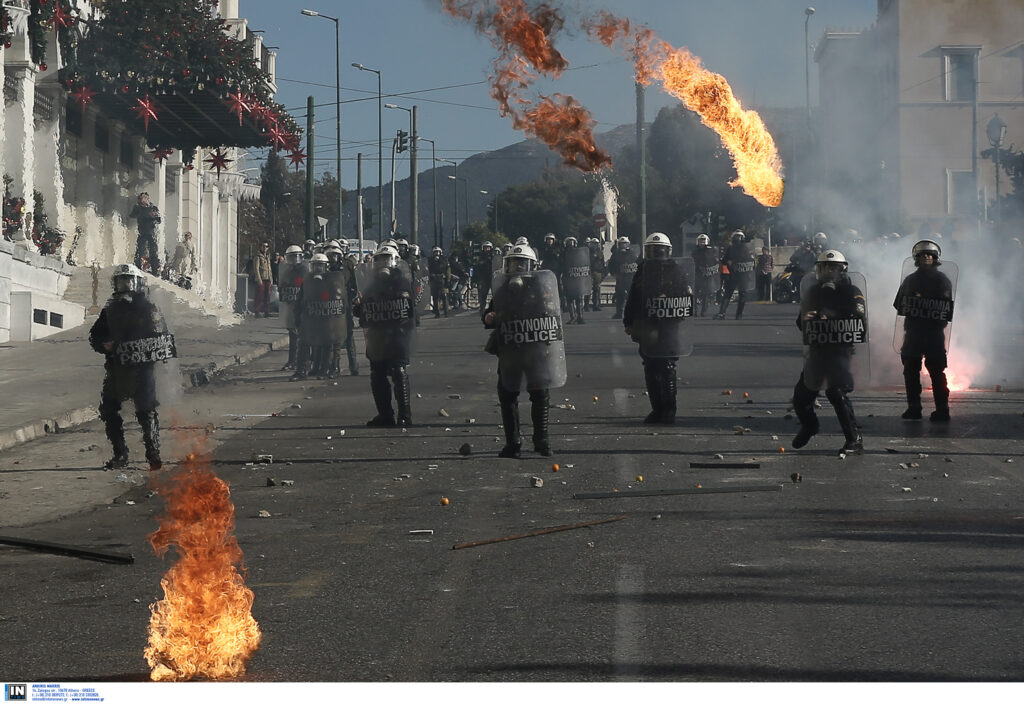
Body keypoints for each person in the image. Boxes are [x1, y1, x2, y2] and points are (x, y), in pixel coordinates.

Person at [89, 264, 174, 471]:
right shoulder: (109, 310)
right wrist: (103, 344)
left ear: (138, 283)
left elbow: (161, 337)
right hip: (117, 369)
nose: (125, 285)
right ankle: (120, 454)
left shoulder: (149, 308)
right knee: (108, 409)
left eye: (129, 281)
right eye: (121, 281)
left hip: (142, 370)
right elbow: (95, 336)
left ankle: (153, 454)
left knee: (146, 411)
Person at [483, 244, 564, 457]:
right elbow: (490, 312)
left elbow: (552, 313)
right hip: (510, 349)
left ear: (532, 266)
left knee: (540, 393)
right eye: (513, 263)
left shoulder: (541, 287)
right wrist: (489, 317)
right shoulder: (502, 288)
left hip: (535, 349)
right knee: (508, 394)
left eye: (522, 263)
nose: (518, 268)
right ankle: (513, 442)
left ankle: (542, 441)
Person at [791, 249, 866, 455]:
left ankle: (854, 439)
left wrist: (832, 316)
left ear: (841, 270)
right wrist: (809, 318)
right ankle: (810, 426)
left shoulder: (852, 292)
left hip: (840, 351)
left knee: (837, 392)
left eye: (833, 268)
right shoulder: (813, 292)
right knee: (801, 396)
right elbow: (801, 324)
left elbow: (860, 321)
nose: (828, 272)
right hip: (817, 351)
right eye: (824, 267)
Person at [623, 233, 691, 425]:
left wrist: (669, 300)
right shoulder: (643, 270)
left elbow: (685, 295)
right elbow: (634, 297)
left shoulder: (676, 269)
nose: (657, 253)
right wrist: (628, 320)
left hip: (669, 323)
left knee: (667, 365)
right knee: (651, 366)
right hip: (648, 323)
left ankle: (669, 410)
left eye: (659, 249)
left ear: (668, 250)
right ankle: (657, 409)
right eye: (653, 250)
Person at [355, 246, 416, 427]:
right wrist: (358, 307)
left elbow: (409, 308)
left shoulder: (402, 282)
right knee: (378, 373)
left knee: (398, 370)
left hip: (398, 334)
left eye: (386, 259)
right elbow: (363, 311)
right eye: (379, 259)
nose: (383, 263)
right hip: (377, 335)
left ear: (395, 261)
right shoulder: (372, 285)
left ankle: (405, 415)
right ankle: (385, 415)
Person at [893, 239, 954, 421]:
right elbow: (899, 304)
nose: (926, 257)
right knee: (910, 370)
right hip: (913, 332)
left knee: (937, 371)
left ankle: (942, 409)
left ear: (935, 258)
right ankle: (914, 407)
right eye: (922, 255)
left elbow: (945, 307)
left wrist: (925, 301)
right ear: (916, 259)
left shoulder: (942, 280)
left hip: (934, 333)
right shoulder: (910, 280)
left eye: (930, 255)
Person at [277, 245, 306, 371]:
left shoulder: (305, 270)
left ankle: (304, 361)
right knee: (293, 336)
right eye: (292, 257)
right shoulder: (286, 271)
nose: (294, 259)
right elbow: (282, 285)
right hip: (290, 306)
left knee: (303, 336)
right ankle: (292, 361)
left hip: (302, 307)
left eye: (296, 257)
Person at [715, 230, 754, 319]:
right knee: (733, 294)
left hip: (740, 274)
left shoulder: (744, 248)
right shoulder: (733, 248)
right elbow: (724, 260)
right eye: (736, 237)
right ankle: (732, 314)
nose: (738, 239)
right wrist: (728, 262)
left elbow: (751, 261)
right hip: (736, 274)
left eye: (739, 237)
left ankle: (725, 313)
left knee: (731, 294)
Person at [129, 192, 161, 275]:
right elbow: (132, 215)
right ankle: (138, 267)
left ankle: (155, 269)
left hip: (151, 232)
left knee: (153, 251)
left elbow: (159, 220)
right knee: (140, 250)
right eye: (143, 198)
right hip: (142, 231)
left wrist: (154, 215)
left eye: (146, 197)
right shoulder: (138, 207)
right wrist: (144, 213)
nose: (144, 199)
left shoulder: (153, 207)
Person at [607, 236, 638, 320]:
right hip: (621, 278)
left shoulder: (634, 253)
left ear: (628, 244)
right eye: (621, 244)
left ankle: (632, 313)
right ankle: (619, 313)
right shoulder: (616, 254)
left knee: (631, 297)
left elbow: (638, 264)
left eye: (625, 243)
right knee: (620, 296)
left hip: (631, 278)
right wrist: (614, 274)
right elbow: (611, 265)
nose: (623, 245)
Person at [561, 236, 588, 324]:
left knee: (578, 298)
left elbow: (584, 263)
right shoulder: (563, 253)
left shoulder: (579, 253)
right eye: (569, 243)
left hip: (577, 277)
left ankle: (580, 317)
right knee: (570, 299)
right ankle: (573, 317)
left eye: (572, 243)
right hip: (568, 277)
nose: (570, 245)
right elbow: (561, 265)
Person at [691, 233, 719, 317]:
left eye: (703, 241)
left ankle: (703, 310)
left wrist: (713, 270)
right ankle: (694, 310)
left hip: (707, 275)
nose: (702, 243)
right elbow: (692, 261)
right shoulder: (695, 251)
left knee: (705, 293)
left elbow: (714, 261)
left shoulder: (711, 251)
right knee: (695, 293)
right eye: (700, 241)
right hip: (697, 274)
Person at [427, 246, 450, 318]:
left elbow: (447, 270)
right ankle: (437, 313)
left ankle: (446, 312)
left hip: (442, 280)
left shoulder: (444, 260)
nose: (437, 254)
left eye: (438, 252)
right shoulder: (430, 260)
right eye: (435, 252)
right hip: (434, 280)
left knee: (444, 296)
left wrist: (448, 279)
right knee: (435, 297)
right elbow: (428, 270)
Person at [253, 241, 273, 317]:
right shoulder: (258, 256)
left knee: (267, 296)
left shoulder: (267, 256)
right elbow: (256, 268)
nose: (265, 248)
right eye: (264, 246)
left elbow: (269, 268)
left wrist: (271, 278)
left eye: (267, 246)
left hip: (267, 278)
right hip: (261, 278)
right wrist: (259, 279)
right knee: (259, 295)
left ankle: (266, 311)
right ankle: (257, 311)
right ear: (261, 247)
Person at [587, 237, 607, 311]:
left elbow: (602, 262)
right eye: (593, 244)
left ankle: (596, 305)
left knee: (597, 289)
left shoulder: (600, 252)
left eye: (596, 244)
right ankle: (586, 305)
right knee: (588, 289)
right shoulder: (587, 252)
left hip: (598, 272)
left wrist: (603, 271)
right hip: (590, 272)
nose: (594, 245)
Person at [473, 241, 495, 310]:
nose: (487, 249)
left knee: (495, 294)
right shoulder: (481, 257)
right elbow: (477, 268)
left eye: (488, 248)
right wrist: (476, 279)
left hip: (492, 277)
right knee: (483, 295)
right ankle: (482, 309)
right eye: (485, 248)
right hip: (484, 278)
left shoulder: (494, 256)